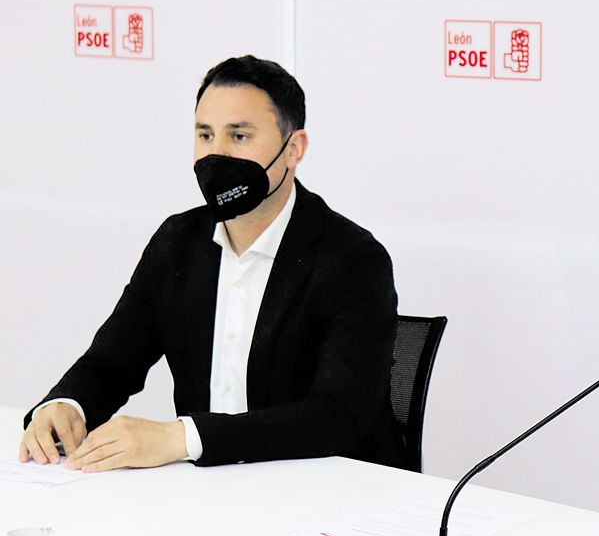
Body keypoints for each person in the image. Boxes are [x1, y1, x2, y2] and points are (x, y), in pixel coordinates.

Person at [17, 56, 403, 471]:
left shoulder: (353, 258)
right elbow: (112, 361)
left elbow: (338, 416)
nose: (216, 153)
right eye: (205, 135)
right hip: (207, 496)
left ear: (294, 149)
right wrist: (66, 405)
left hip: (331, 495)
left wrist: (183, 437)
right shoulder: (178, 242)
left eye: (238, 136)